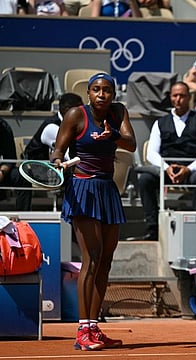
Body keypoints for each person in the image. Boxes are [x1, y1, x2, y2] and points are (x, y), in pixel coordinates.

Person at [50, 73, 136, 351]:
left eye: (107, 90)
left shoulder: (119, 112)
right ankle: (82, 330)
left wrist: (114, 137)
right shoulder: (76, 115)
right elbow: (57, 151)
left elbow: (131, 144)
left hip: (107, 190)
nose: (102, 94)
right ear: (88, 93)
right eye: (96, 90)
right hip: (83, 189)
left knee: (106, 261)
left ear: (113, 94)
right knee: (92, 257)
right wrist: (59, 161)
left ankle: (94, 328)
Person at [136, 81, 196, 241]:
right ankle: (153, 228)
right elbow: (151, 153)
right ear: (171, 97)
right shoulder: (160, 123)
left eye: (182, 96)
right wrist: (166, 168)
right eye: (175, 95)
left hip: (191, 170)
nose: (178, 99)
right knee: (145, 180)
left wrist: (189, 169)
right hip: (167, 169)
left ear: (189, 98)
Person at [16, 93, 83, 210]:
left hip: (53, 168)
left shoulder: (71, 125)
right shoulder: (52, 127)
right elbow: (67, 155)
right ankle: (72, 213)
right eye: (80, 110)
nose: (83, 114)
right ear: (68, 110)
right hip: (37, 168)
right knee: (77, 174)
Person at [0, 118, 31, 211]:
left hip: (1, 171)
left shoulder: (3, 127)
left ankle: (23, 217)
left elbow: (10, 157)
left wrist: (2, 172)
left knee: (23, 177)